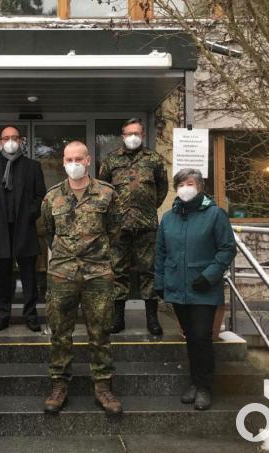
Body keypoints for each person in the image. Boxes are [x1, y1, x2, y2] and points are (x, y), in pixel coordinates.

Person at [41, 140, 123, 416]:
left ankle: (103, 387)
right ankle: (59, 385)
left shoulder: (107, 194)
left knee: (100, 333)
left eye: (78, 158)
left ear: (89, 161)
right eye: (68, 159)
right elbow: (49, 231)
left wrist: (94, 255)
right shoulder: (52, 197)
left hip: (97, 273)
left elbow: (114, 230)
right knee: (60, 334)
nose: (73, 163)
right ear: (63, 161)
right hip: (61, 274)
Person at [154, 168, 237, 411]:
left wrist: (210, 275)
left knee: (202, 337)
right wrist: (159, 282)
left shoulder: (215, 215)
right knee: (191, 337)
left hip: (203, 289)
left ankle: (204, 387)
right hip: (177, 288)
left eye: (189, 183)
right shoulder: (168, 218)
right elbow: (160, 252)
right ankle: (194, 381)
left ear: (199, 186)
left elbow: (227, 249)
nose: (184, 188)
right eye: (180, 184)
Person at [99, 118, 168, 336]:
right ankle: (117, 318)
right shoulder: (111, 160)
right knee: (118, 271)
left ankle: (152, 319)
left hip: (146, 225)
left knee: (149, 272)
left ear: (143, 135)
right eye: (129, 133)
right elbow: (104, 189)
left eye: (136, 133)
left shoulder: (154, 159)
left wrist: (146, 208)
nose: (133, 137)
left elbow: (162, 189)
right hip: (118, 227)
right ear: (122, 135)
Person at [0, 126, 47, 333]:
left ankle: (31, 315)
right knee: (2, 276)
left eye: (14, 138)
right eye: (6, 138)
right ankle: (2, 315)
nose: (10, 142)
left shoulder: (32, 166)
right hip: (0, 230)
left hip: (24, 228)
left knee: (29, 276)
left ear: (21, 141)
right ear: (0, 142)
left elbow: (40, 195)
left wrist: (30, 214)